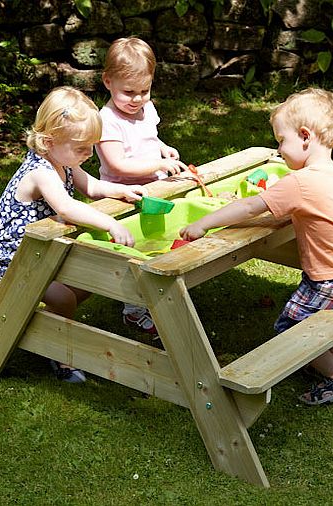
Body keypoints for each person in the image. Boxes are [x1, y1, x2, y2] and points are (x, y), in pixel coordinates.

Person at [180, 88, 333, 405]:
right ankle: (325, 365)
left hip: (331, 282)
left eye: (280, 140)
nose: (279, 148)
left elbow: (249, 208)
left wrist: (204, 223)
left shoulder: (298, 183)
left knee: (292, 327)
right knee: (319, 319)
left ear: (304, 137)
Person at [0, 86, 147, 383]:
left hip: (43, 250)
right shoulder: (40, 172)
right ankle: (60, 355)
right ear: (49, 141)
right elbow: (67, 207)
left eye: (91, 147)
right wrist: (110, 224)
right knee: (64, 297)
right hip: (14, 257)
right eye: (82, 147)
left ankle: (45, 327)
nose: (88, 154)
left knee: (87, 282)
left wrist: (122, 190)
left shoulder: (66, 163)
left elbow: (94, 187)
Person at [95, 37, 188, 335]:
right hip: (122, 198)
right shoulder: (107, 120)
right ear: (107, 81)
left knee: (157, 245)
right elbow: (117, 165)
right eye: (129, 92)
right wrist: (159, 165)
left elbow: (148, 137)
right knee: (131, 255)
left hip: (153, 191)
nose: (137, 99)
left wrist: (163, 148)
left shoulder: (146, 110)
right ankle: (133, 309)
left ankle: (159, 295)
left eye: (144, 91)